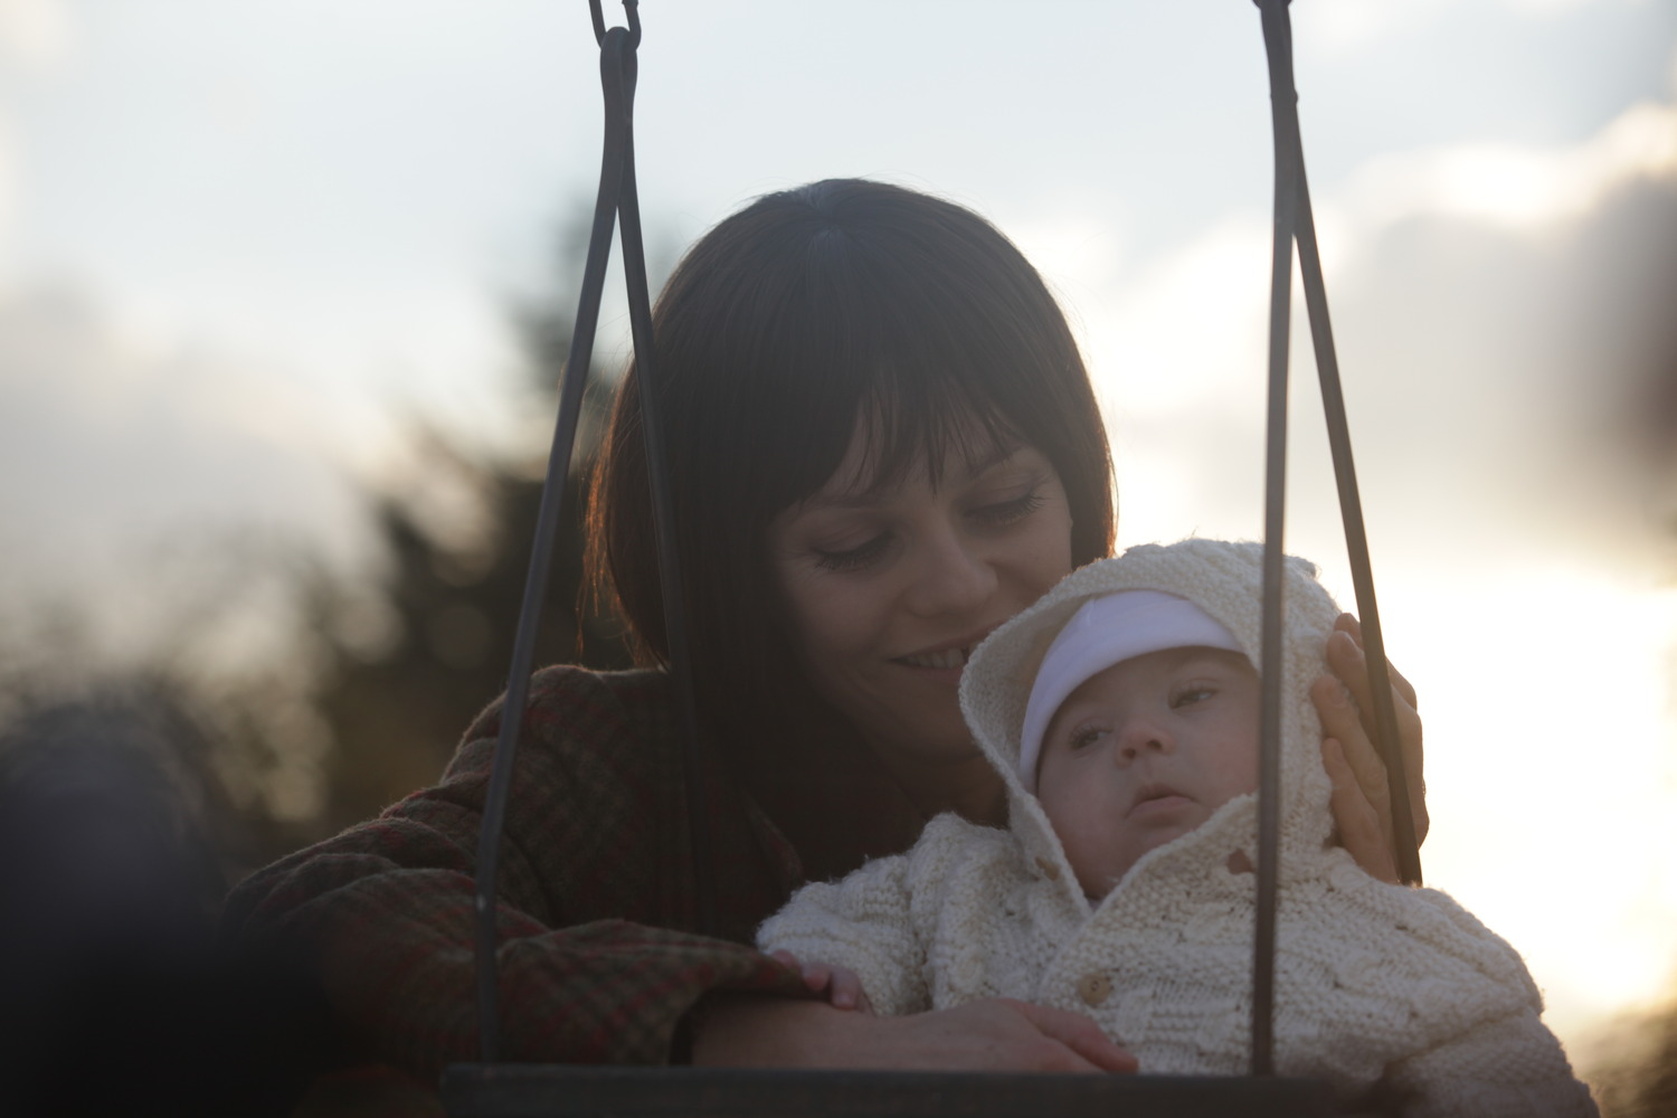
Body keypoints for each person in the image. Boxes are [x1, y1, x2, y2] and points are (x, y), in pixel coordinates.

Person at [221, 179, 1426, 1085]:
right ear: (726, 570)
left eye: (1003, 504)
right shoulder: (614, 763)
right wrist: (762, 1033)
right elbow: (306, 922)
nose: (958, 584)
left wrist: (1361, 907)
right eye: (857, 544)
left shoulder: (1191, 743)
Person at [758, 538, 1596, 1115]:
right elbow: (843, 922)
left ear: (1305, 724)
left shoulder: (1388, 936)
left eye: (1193, 695)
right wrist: (836, 977)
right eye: (1083, 737)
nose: (1138, 738)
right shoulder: (959, 879)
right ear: (1029, 791)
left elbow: (1503, 1074)